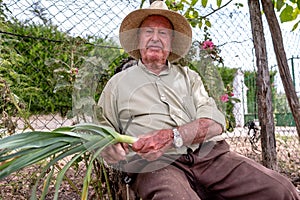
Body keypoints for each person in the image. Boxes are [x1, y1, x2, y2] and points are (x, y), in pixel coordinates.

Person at [98, 1, 300, 199]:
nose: (155, 38)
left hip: (211, 156)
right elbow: (99, 131)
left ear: (171, 43)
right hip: (156, 166)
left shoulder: (189, 78)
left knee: (281, 190)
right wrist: (110, 148)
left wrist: (171, 137)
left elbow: (215, 124)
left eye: (163, 33)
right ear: (138, 39)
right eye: (148, 32)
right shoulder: (117, 84)